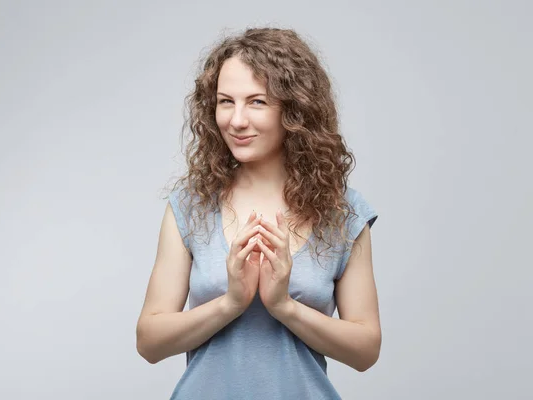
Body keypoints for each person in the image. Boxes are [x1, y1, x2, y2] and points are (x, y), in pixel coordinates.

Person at [136, 27, 381, 399]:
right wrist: (232, 302)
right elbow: (149, 342)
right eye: (225, 101)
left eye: (257, 102)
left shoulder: (342, 214)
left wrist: (283, 306)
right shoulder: (190, 205)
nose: (236, 120)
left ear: (296, 110)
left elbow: (366, 350)